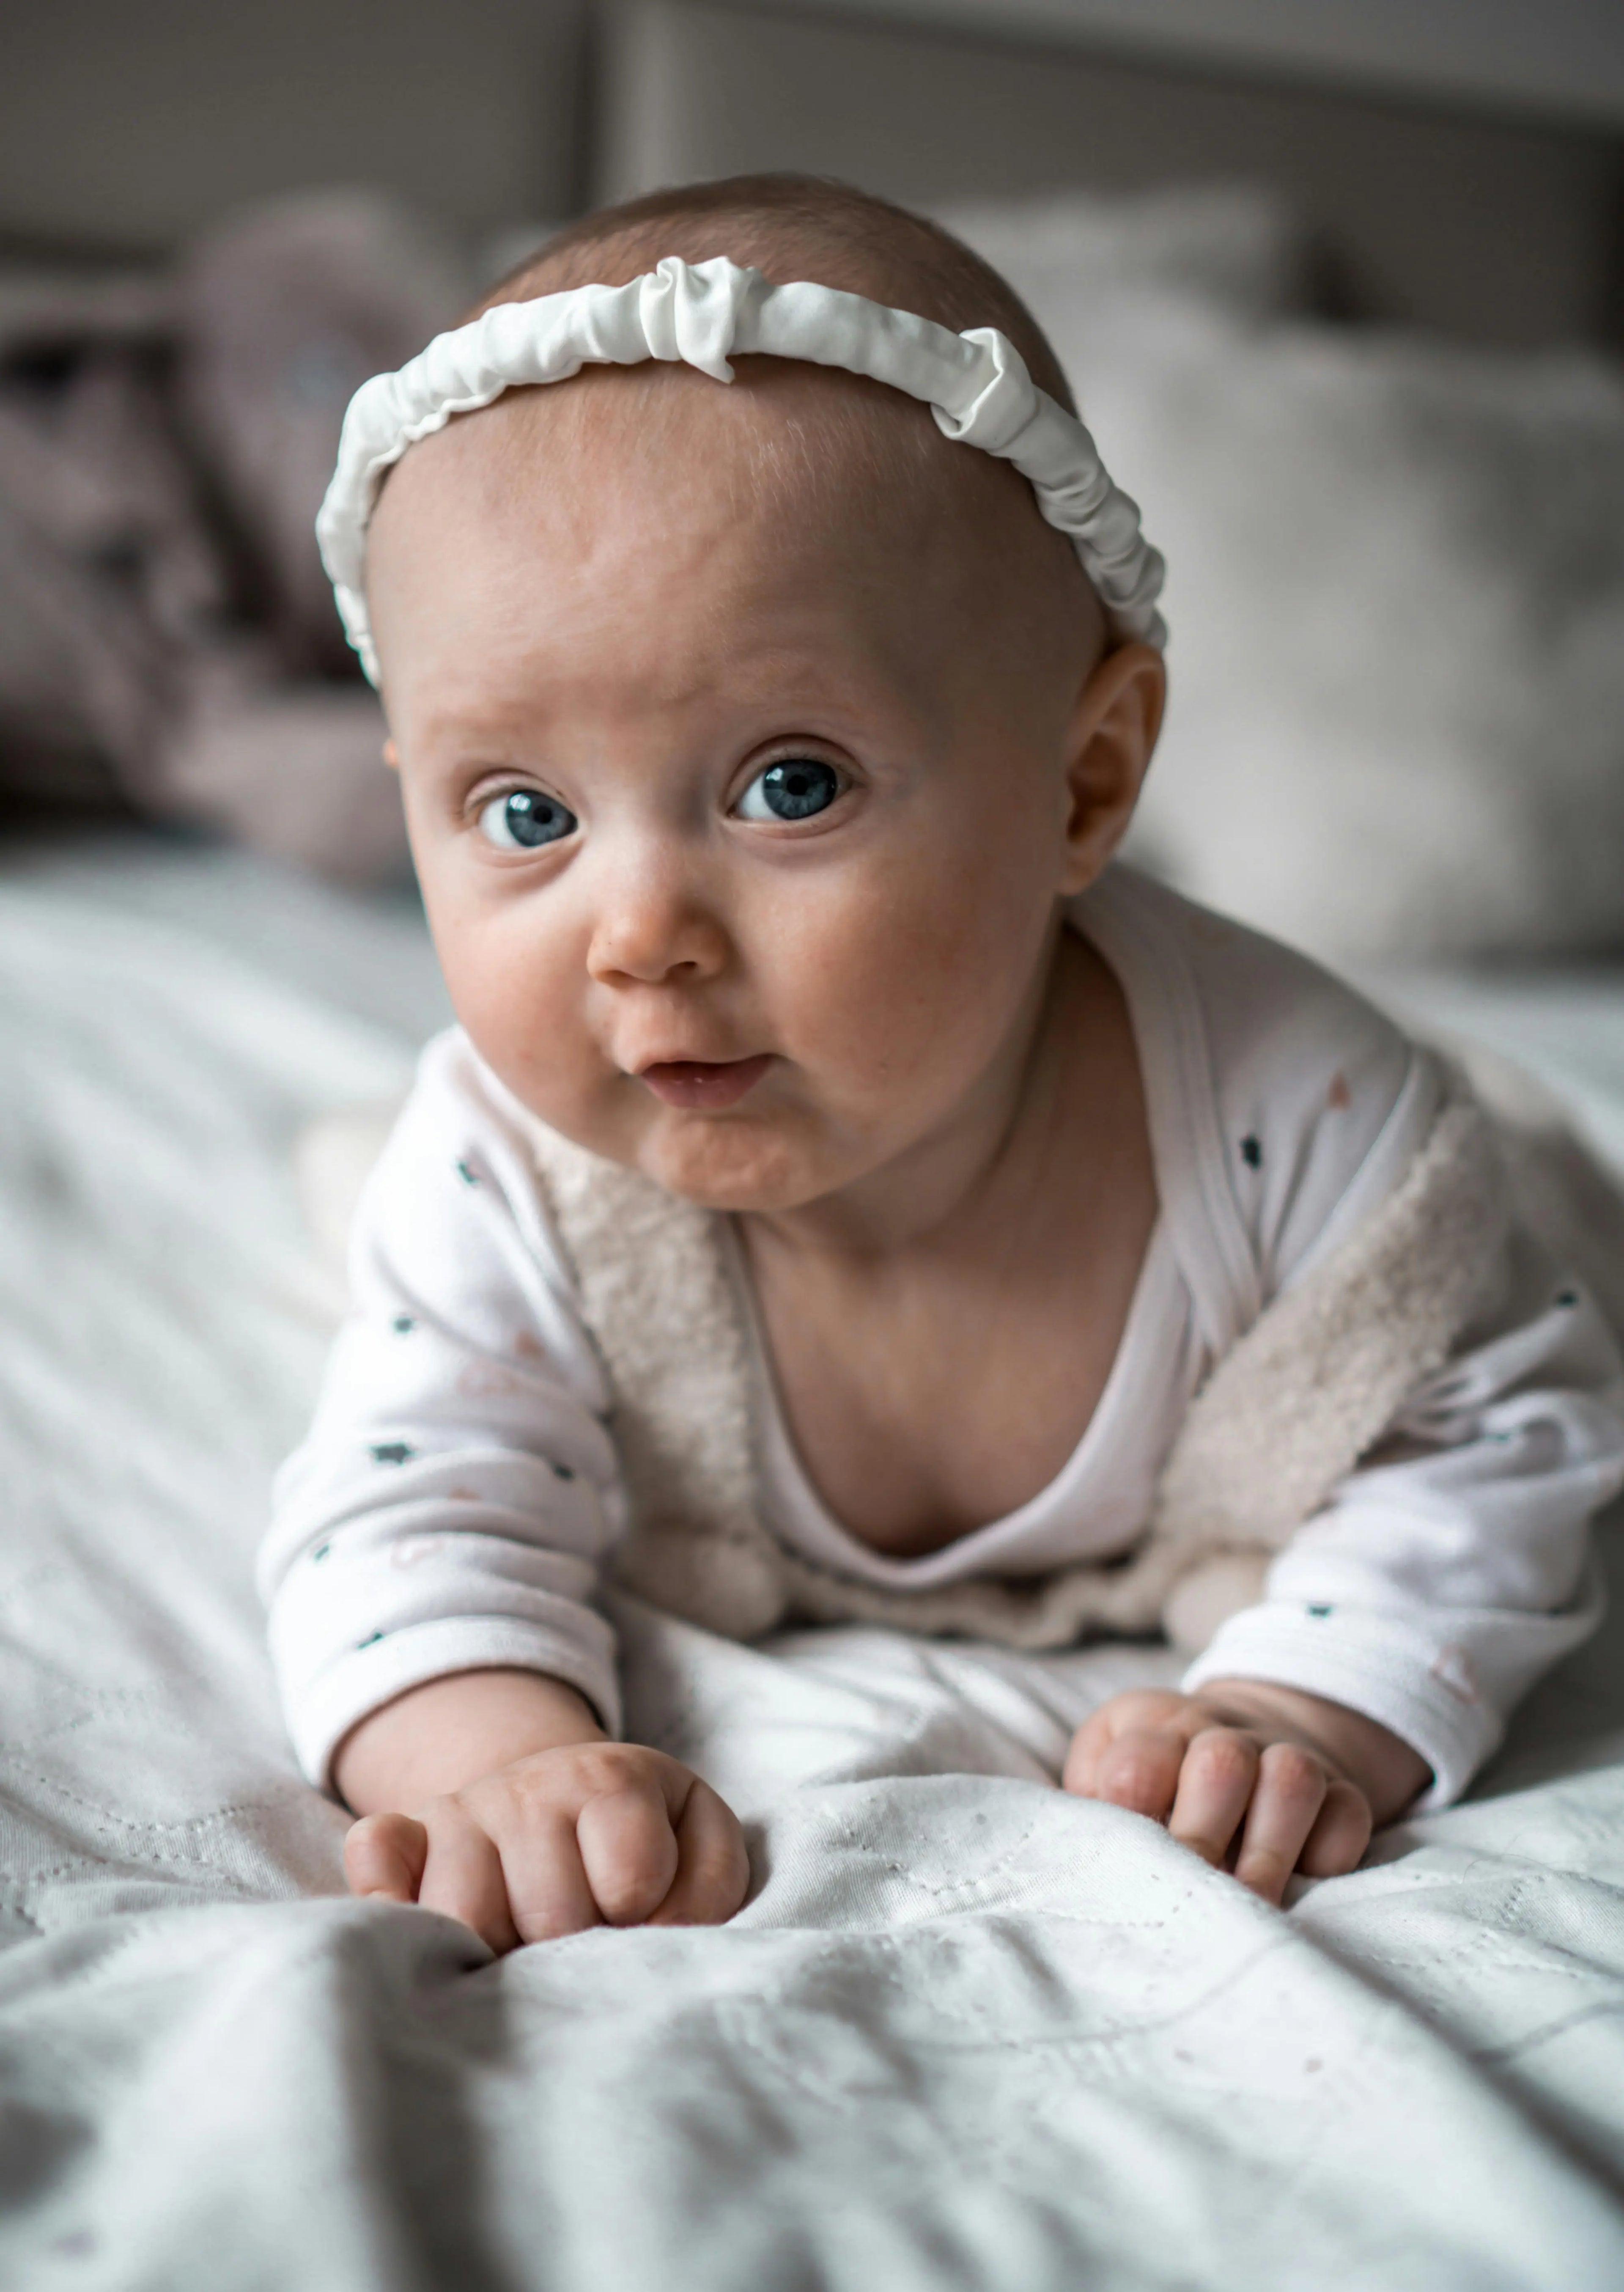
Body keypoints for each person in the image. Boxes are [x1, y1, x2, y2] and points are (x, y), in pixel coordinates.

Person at [261, 175, 1624, 1956]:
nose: (642, 933)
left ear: (1082, 781)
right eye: (526, 813)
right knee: (396, 1206)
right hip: (510, 1215)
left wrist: (1311, 1707)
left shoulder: (1316, 1131)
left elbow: (1493, 1442)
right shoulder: (517, 1160)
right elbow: (400, 1500)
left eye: (791, 784)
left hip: (1370, 1158)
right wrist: (505, 1755)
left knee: (1534, 1225)